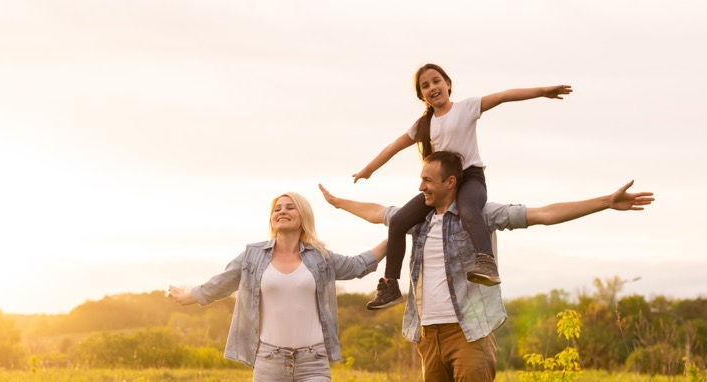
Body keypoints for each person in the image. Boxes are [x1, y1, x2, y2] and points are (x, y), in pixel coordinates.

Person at [321, 151, 655, 381]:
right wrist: (338, 204)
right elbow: (376, 212)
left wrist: (606, 202)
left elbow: (543, 214)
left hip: (468, 333)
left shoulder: (481, 215)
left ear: (450, 182)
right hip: (427, 333)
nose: (420, 186)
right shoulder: (417, 220)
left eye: (427, 180)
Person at [353, 63, 573, 310]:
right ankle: (390, 284)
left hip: (470, 179)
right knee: (398, 221)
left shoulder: (466, 108)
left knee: (468, 210)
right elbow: (394, 145)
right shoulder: (423, 125)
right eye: (425, 86)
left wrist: (543, 91)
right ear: (421, 95)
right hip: (440, 185)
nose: (432, 87)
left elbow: (502, 97)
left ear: (447, 84)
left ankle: (486, 262)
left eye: (436, 81)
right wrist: (368, 170)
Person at [167, 191, 387, 382]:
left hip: (313, 361)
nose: (282, 211)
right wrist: (191, 296)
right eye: (277, 209)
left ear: (303, 216)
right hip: (269, 361)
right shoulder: (253, 256)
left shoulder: (321, 258)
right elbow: (222, 282)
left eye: (290, 207)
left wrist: (396, 233)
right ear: (271, 219)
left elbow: (358, 265)